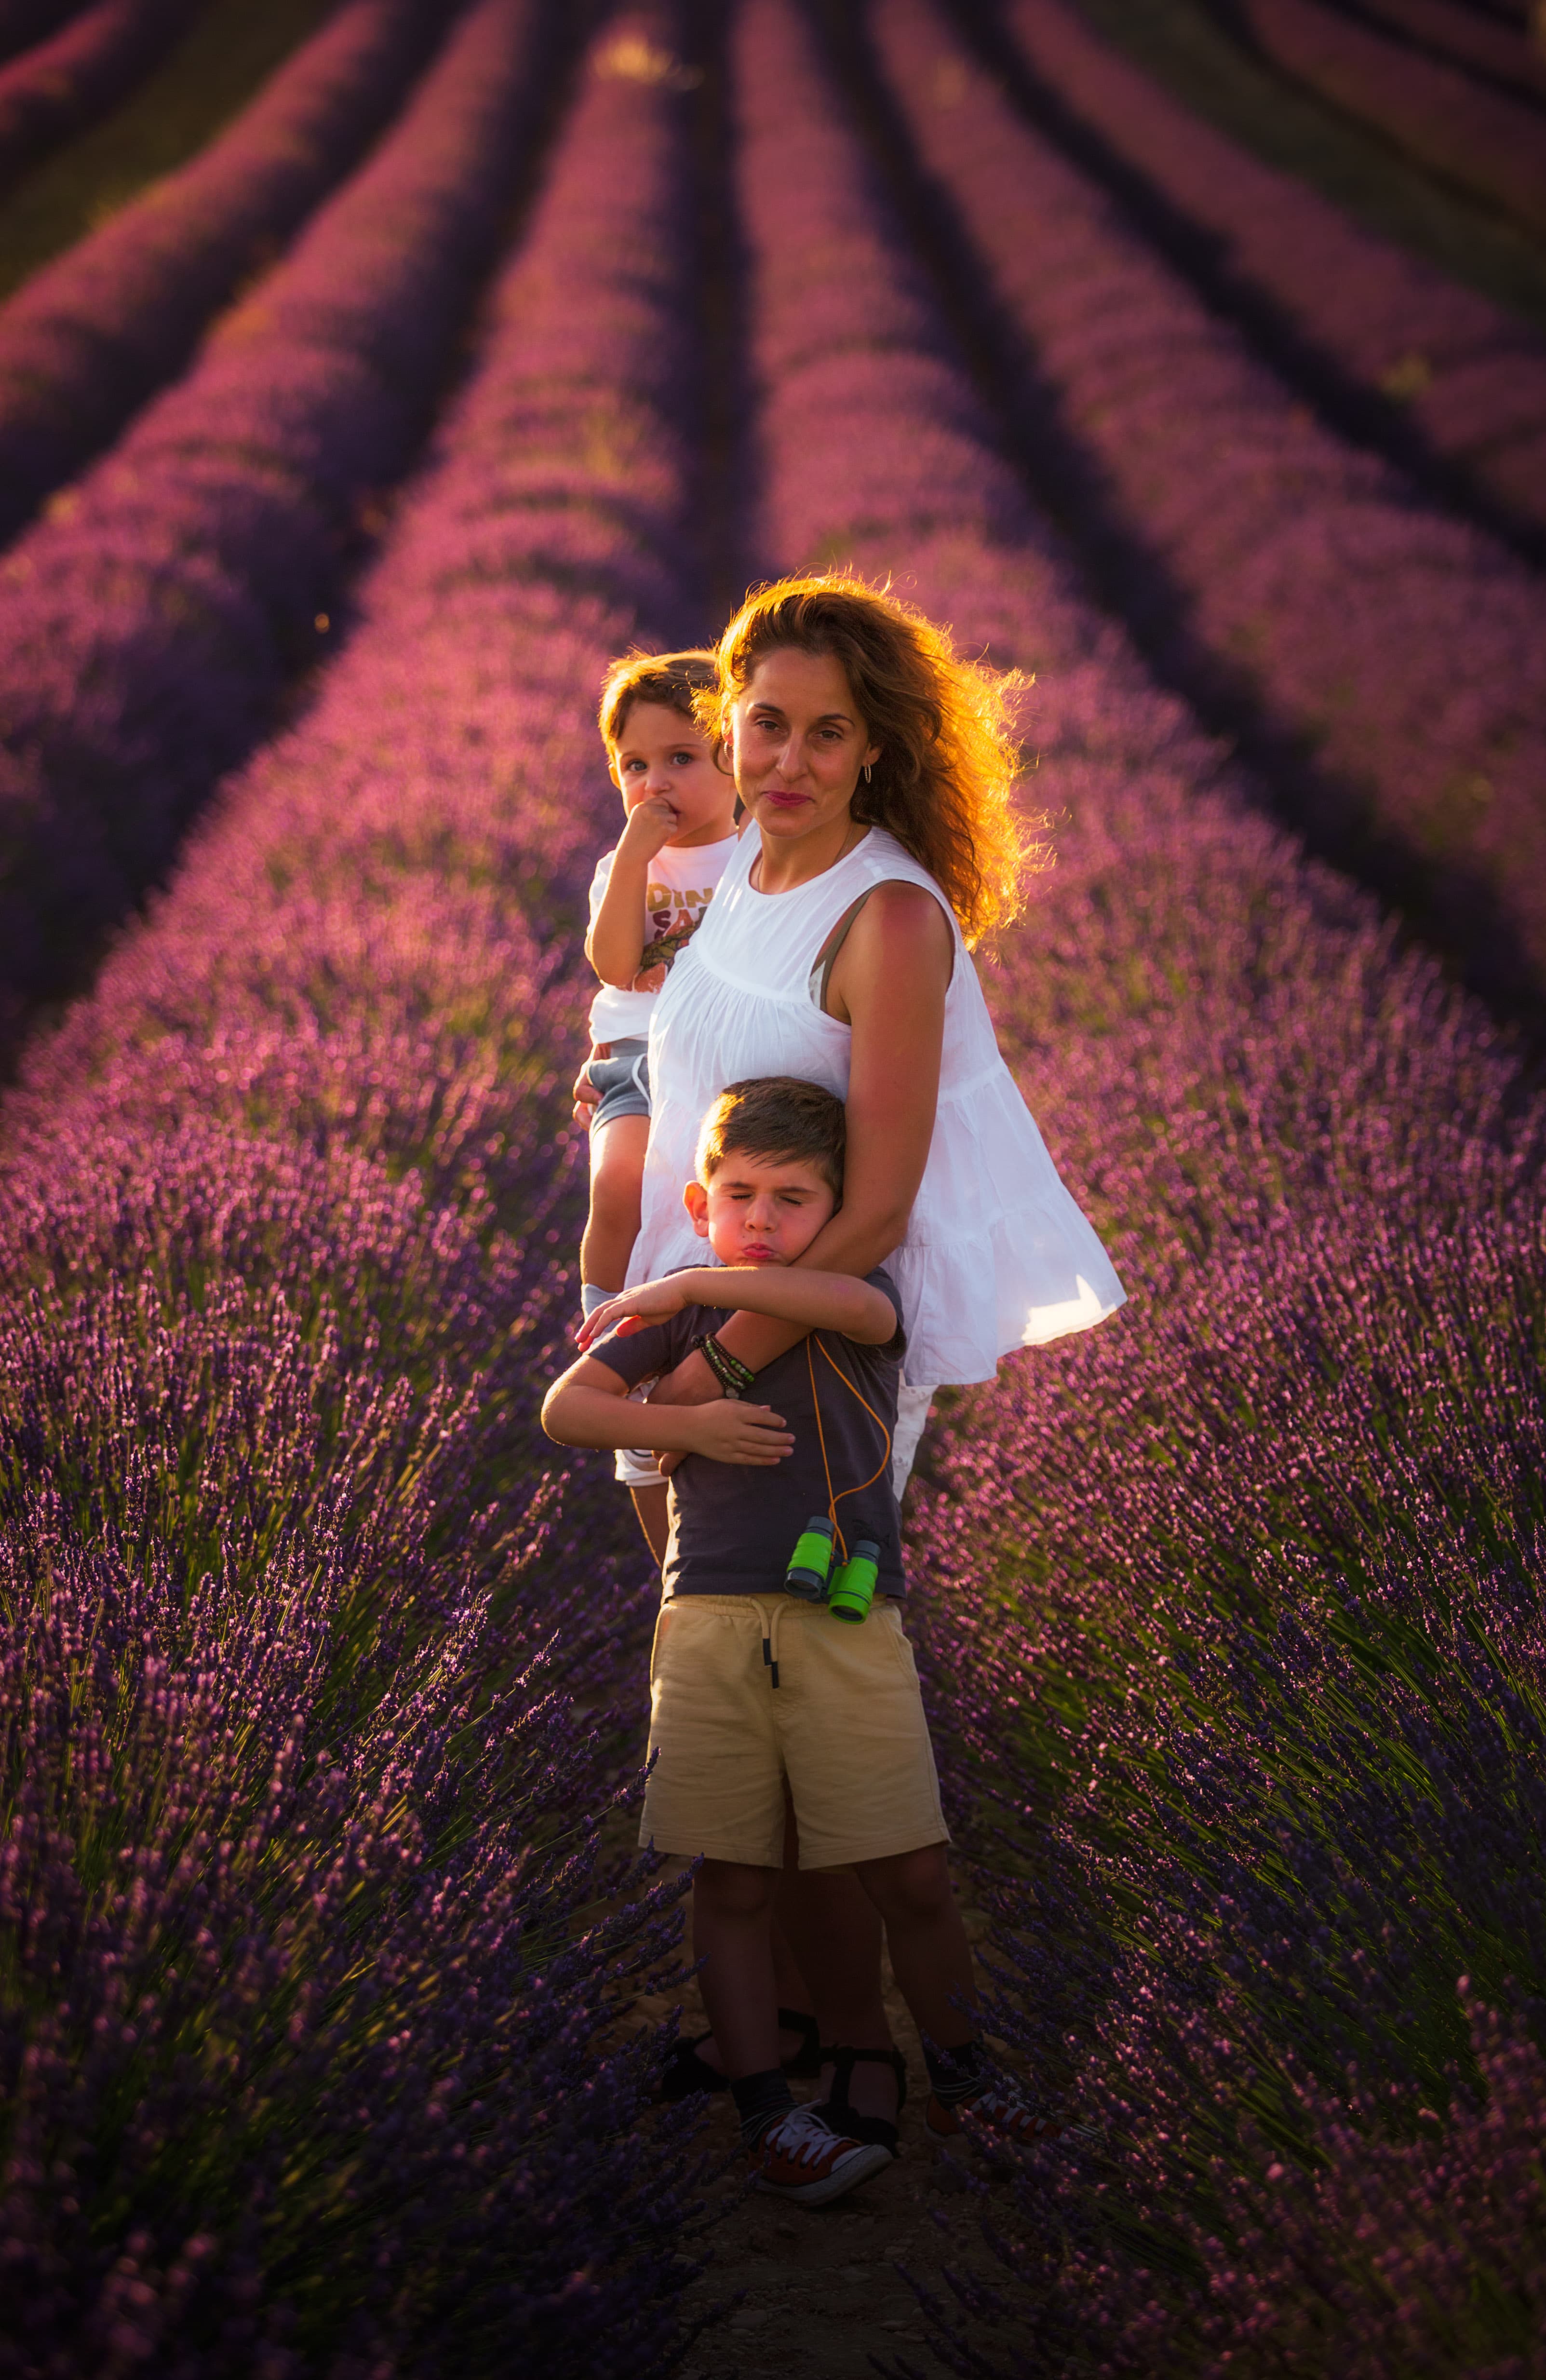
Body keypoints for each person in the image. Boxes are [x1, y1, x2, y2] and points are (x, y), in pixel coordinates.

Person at [577, 575, 1127, 2142]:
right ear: (726, 720)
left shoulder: (886, 916)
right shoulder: (729, 874)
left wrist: (710, 1376)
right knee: (751, 1723)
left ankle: (908, 2064)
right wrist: (630, 1299)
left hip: (793, 1377)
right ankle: (824, 2039)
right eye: (768, 724)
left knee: (814, 1711)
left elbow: (874, 1202)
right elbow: (643, 1044)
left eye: (832, 732)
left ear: (882, 749)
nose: (793, 758)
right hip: (678, 1339)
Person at [543, 1077, 1037, 2206]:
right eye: (738, 1196)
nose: (761, 1219)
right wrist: (689, 1421)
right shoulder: (680, 1328)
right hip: (710, 1619)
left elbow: (848, 1313)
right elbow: (566, 1411)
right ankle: (771, 2111)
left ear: (843, 1211)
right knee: (733, 1876)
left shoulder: (857, 1296)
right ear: (699, 1197)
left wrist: (685, 1275)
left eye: (792, 1198)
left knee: (909, 1869)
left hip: (846, 1627)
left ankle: (967, 2074)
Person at [579, 649, 739, 1315]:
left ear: (734, 757)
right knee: (622, 1180)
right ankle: (602, 1315)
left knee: (720, 1202)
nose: (655, 784)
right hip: (638, 1058)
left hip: (731, 1055)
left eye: (682, 758)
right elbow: (615, 967)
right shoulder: (624, 866)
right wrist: (633, 863)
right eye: (634, 766)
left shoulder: (758, 853)